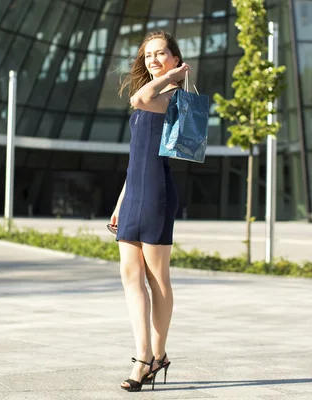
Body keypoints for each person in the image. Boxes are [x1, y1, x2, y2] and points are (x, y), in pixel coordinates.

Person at [110, 30, 189, 392]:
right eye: (148, 56)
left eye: (161, 54)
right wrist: (120, 200)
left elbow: (140, 97)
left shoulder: (172, 96)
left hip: (158, 190)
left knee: (157, 278)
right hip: (135, 192)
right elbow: (134, 156)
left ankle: (153, 356)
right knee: (130, 274)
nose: (153, 60)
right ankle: (146, 354)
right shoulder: (152, 94)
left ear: (175, 58)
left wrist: (173, 78)